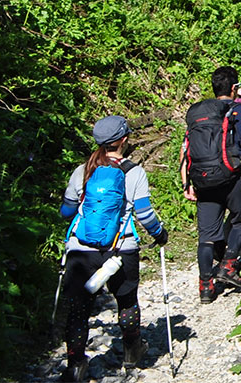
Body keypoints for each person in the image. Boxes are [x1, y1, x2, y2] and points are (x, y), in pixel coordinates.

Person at [57, 115, 168, 380]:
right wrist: (160, 234)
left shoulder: (83, 170)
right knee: (127, 301)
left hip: (81, 250)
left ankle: (75, 364)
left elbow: (66, 211)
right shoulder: (134, 172)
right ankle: (132, 352)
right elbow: (144, 214)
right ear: (124, 140)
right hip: (122, 249)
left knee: (78, 309)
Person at [183, 66, 241, 303]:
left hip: (203, 179)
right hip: (232, 178)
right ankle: (228, 265)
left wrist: (187, 183)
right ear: (234, 88)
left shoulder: (199, 113)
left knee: (206, 236)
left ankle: (205, 287)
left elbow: (186, 149)